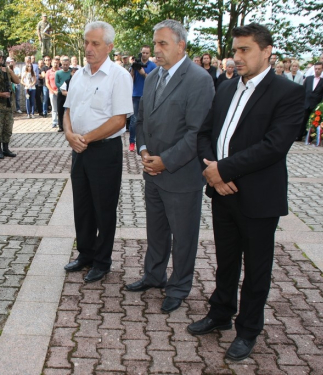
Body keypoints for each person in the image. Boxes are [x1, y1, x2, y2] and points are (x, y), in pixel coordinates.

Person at [189, 23, 304, 361]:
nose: (236, 57)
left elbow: (274, 146)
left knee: (256, 270)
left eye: (244, 50)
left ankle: (248, 330)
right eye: (235, 50)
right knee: (225, 261)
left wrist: (220, 169)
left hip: (258, 197)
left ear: (266, 51)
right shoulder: (225, 88)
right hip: (222, 193)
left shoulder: (286, 92)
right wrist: (212, 172)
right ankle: (220, 313)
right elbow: (204, 133)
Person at [124, 20, 214, 315]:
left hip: (181, 174)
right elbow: (142, 119)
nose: (156, 50)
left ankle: (179, 287)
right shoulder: (152, 77)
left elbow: (195, 133)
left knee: (183, 236)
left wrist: (166, 161)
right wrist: (146, 150)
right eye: (155, 43)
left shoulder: (199, 80)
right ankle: (154, 276)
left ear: (181, 46)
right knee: (156, 230)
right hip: (153, 171)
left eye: (163, 44)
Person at [62, 21, 133, 283]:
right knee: (82, 206)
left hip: (104, 151)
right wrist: (70, 135)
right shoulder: (79, 75)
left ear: (110, 46)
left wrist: (86, 139)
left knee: (104, 208)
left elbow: (119, 120)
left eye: (95, 43)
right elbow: (67, 110)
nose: (88, 48)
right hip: (79, 149)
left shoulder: (119, 76)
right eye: (86, 42)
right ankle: (86, 254)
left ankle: (102, 261)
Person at [129, 45, 157, 151]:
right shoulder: (136, 63)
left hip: (148, 95)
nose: (144, 54)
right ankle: (132, 142)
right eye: (143, 52)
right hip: (136, 94)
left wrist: (143, 73)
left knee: (148, 120)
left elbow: (154, 80)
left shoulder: (153, 66)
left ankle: (147, 143)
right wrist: (133, 69)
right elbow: (130, 78)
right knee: (134, 119)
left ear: (149, 54)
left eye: (146, 53)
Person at [299, 62, 323, 141]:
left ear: (322, 69)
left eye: (319, 69)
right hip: (306, 103)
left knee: (313, 121)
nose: (317, 70)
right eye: (316, 69)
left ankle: (310, 137)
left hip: (316, 104)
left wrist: (320, 105)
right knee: (303, 120)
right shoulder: (308, 79)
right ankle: (299, 135)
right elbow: (303, 90)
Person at [55, 56, 71, 132]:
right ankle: (61, 126)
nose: (65, 66)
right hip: (61, 93)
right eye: (64, 64)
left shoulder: (71, 72)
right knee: (60, 110)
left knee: (69, 110)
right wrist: (62, 88)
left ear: (69, 64)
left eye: (66, 64)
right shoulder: (58, 73)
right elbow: (56, 82)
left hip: (69, 93)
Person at [45, 56, 60, 128]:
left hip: (60, 92)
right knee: (54, 108)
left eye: (57, 63)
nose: (55, 64)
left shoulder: (61, 71)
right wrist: (53, 91)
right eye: (54, 62)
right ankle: (54, 122)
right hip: (52, 92)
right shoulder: (48, 72)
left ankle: (61, 122)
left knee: (60, 108)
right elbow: (47, 83)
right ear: (51, 63)